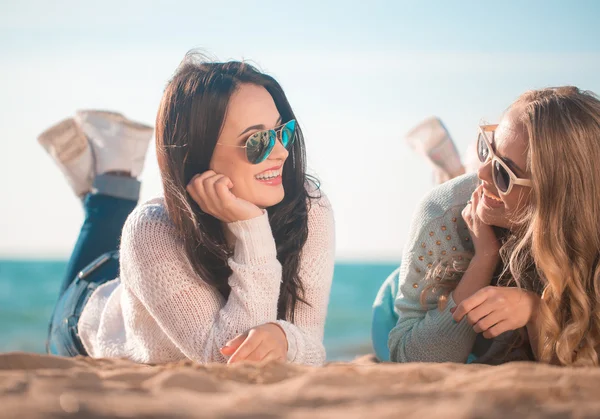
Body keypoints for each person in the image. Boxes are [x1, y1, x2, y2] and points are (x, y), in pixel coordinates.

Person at [42, 53, 335, 366]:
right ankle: (111, 184)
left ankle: (110, 177)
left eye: (282, 132)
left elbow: (312, 345)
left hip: (148, 272)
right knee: (104, 234)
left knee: (116, 228)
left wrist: (286, 339)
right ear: (198, 152)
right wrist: (250, 227)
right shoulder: (150, 230)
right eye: (256, 141)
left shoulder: (309, 208)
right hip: (92, 312)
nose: (280, 153)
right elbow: (229, 362)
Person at [373, 86, 600, 366]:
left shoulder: (590, 226)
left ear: (555, 199)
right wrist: (484, 259)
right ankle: (457, 170)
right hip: (423, 298)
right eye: (487, 149)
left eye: (503, 173)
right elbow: (411, 358)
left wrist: (536, 312)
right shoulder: (442, 213)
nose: (481, 173)